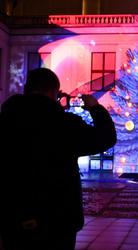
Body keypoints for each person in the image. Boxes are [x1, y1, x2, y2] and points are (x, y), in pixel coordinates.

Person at [0, 68, 116, 250]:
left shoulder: (5, 121)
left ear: (26, 89)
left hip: (13, 217)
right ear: (55, 92)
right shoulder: (65, 124)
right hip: (58, 219)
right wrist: (95, 108)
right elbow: (106, 137)